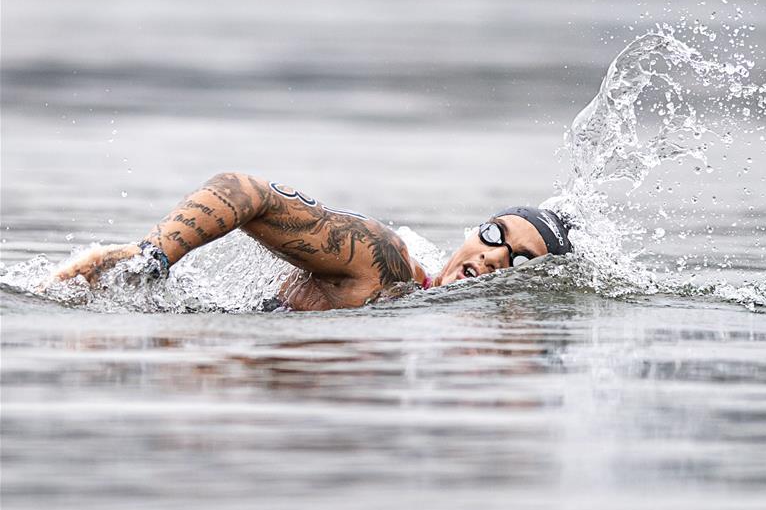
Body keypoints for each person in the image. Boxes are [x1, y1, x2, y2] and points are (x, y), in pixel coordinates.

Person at [53, 173, 572, 311]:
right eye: (494, 234)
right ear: (473, 231)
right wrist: (148, 259)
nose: (493, 256)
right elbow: (247, 190)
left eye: (519, 260)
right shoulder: (387, 263)